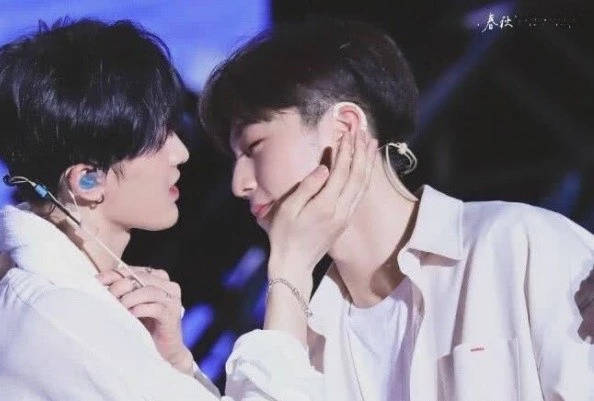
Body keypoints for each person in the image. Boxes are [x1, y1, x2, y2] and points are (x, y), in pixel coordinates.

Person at [0, 18, 369, 400]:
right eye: (158, 139)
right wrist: (290, 269)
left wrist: (172, 363)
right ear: (87, 180)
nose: (181, 153)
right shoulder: (68, 318)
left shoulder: (31, 283)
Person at [198, 18, 594, 400]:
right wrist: (289, 268)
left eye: (254, 147)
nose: (239, 184)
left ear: (344, 127)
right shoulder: (300, 346)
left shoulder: (517, 245)